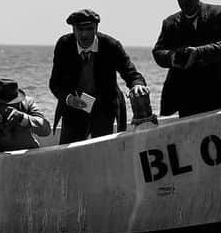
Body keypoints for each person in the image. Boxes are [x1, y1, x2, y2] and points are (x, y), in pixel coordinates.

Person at [49, 9, 149, 144]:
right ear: (73, 30)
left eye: (89, 29)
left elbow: (130, 72)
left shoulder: (111, 45)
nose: (84, 34)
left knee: (103, 148)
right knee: (68, 152)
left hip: (104, 106)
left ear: (96, 28)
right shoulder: (64, 45)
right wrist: (69, 98)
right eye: (79, 29)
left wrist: (137, 84)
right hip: (74, 107)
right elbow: (55, 84)